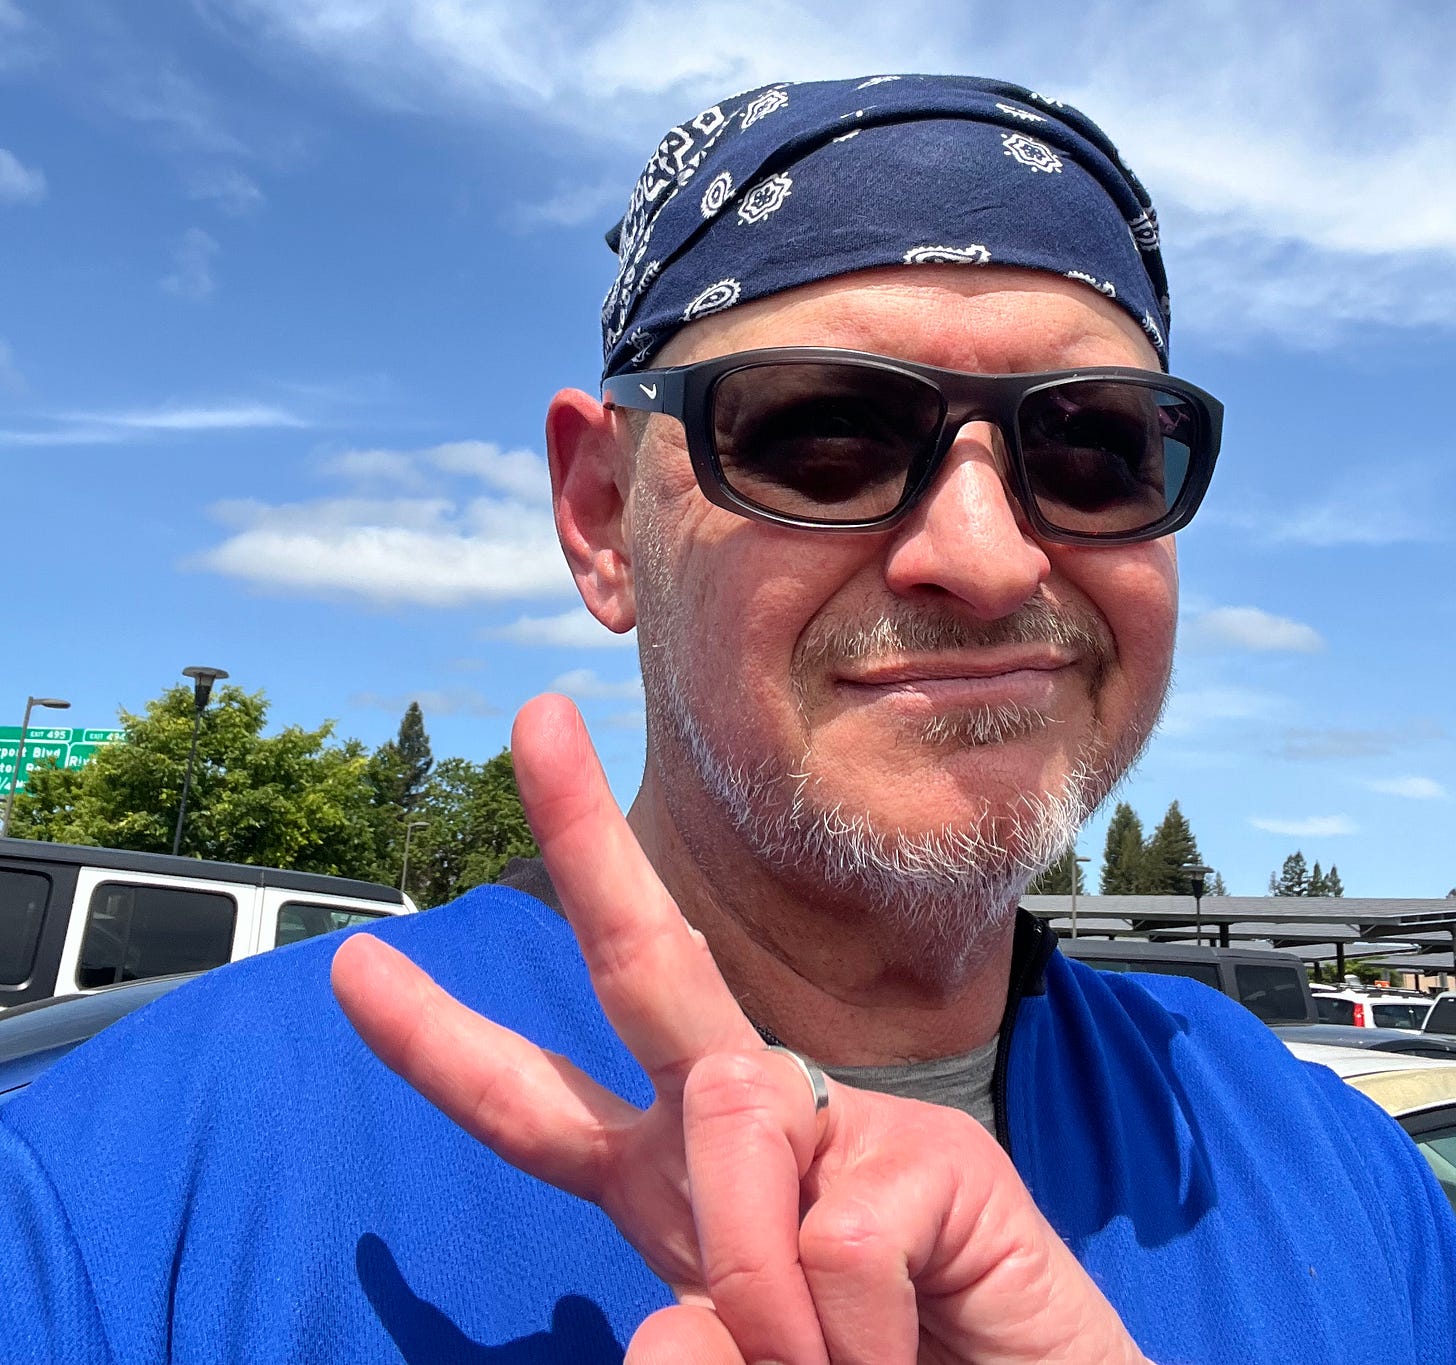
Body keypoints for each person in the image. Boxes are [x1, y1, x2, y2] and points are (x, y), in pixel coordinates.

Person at [0, 76, 1450, 1364]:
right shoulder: (114, 1202)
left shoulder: (1350, 1184)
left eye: (1095, 445)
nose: (990, 556)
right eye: (824, 432)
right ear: (603, 519)